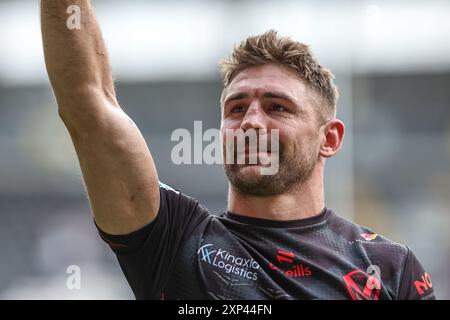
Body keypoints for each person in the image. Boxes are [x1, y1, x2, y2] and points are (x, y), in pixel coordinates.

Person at [41, 0, 435, 300]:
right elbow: (89, 106)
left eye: (278, 107)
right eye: (236, 108)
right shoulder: (174, 241)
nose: (250, 122)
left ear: (329, 139)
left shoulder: (389, 268)